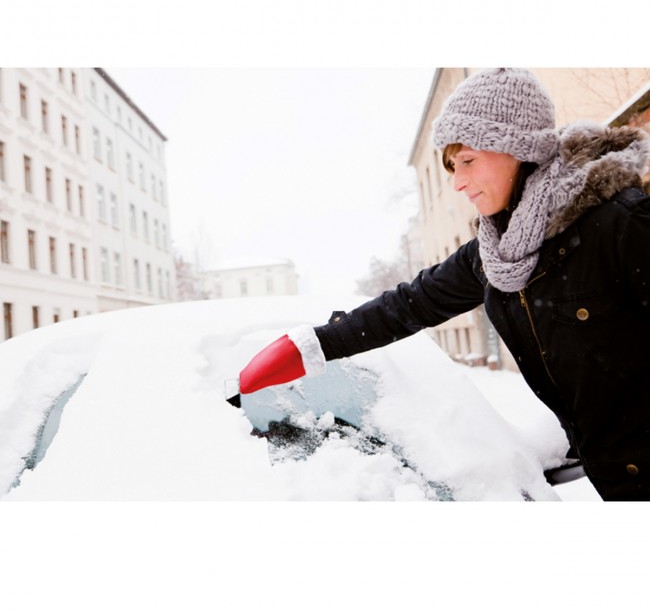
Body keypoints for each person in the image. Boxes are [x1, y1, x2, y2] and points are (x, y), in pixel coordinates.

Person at [237, 68, 650, 502]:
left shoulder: (621, 225)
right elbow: (410, 304)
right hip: (619, 483)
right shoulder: (495, 254)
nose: (457, 183)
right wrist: (312, 346)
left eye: (468, 161)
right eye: (452, 167)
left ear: (520, 149)